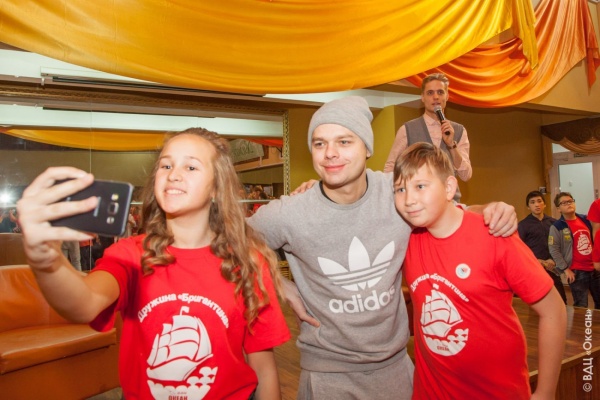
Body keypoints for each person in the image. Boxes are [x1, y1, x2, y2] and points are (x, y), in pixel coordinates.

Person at [248, 96, 517, 400]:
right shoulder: (291, 212)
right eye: (320, 143)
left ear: (367, 148)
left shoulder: (397, 193)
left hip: (395, 370)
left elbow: (450, 211)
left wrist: (490, 209)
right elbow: (225, 242)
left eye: (344, 141)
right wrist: (278, 284)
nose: (330, 153)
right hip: (327, 376)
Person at [16, 128, 291, 400]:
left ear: (217, 188)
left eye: (191, 167)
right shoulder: (129, 254)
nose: (173, 174)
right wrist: (46, 259)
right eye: (166, 165)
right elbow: (83, 304)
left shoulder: (247, 261)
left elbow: (263, 369)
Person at [393, 142, 566, 400]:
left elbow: (554, 311)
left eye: (420, 186)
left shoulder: (494, 234)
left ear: (449, 187)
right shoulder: (406, 238)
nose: (408, 200)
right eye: (400, 189)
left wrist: (546, 392)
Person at [383, 73, 471, 201]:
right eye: (430, 93)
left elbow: (466, 175)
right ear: (423, 97)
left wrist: (451, 145)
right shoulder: (407, 129)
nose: (436, 97)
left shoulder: (459, 131)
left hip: (449, 203)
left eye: (440, 92)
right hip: (417, 203)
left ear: (447, 96)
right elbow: (391, 168)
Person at [549, 192, 600, 308]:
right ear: (558, 208)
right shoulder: (557, 226)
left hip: (594, 267)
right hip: (576, 271)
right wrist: (566, 269)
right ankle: (585, 321)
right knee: (581, 304)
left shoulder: (585, 219)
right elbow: (554, 249)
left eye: (570, 201)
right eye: (564, 203)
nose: (568, 204)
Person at [518, 190, 567, 304]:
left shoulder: (554, 223)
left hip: (552, 267)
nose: (537, 204)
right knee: (537, 301)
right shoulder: (523, 225)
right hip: (534, 267)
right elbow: (520, 248)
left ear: (544, 204)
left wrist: (553, 260)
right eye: (532, 202)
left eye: (539, 201)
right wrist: (537, 261)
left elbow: (561, 244)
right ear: (528, 207)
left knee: (561, 300)